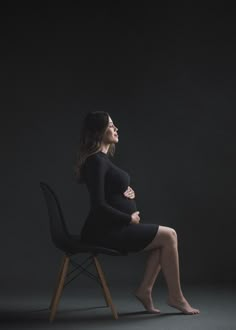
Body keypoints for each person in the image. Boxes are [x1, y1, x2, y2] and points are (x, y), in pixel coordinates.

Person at [75, 111, 200, 315]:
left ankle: (145, 290)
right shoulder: (96, 161)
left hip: (114, 227)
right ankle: (175, 297)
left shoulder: (102, 160)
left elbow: (107, 192)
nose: (116, 129)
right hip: (105, 232)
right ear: (98, 130)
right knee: (169, 235)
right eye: (110, 125)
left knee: (165, 241)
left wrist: (124, 192)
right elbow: (98, 205)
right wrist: (128, 217)